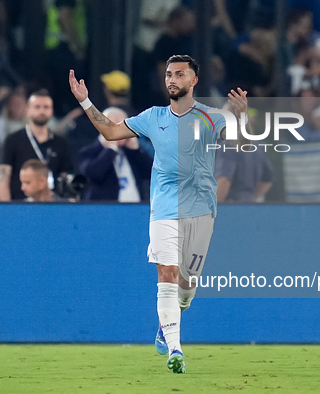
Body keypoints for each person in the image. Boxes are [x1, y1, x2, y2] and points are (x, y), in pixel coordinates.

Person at [69, 54, 247, 374]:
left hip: (201, 210)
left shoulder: (212, 117)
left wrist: (241, 118)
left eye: (179, 74)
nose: (172, 79)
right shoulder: (152, 116)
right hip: (164, 208)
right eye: (168, 74)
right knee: (166, 273)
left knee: (187, 285)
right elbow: (110, 132)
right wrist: (85, 102)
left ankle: (170, 322)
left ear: (193, 81)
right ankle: (175, 350)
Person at [0, 89, 72, 201]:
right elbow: (3, 177)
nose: (42, 111)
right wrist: (7, 210)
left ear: (51, 111)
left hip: (52, 208)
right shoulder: (13, 140)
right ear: (28, 111)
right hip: (20, 207)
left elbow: (66, 176)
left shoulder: (60, 143)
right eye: (37, 107)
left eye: (46, 107)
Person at [77, 107, 152, 202]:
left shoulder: (131, 151)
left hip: (136, 209)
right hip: (106, 210)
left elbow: (150, 173)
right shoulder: (88, 152)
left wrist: (135, 150)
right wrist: (111, 149)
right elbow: (95, 173)